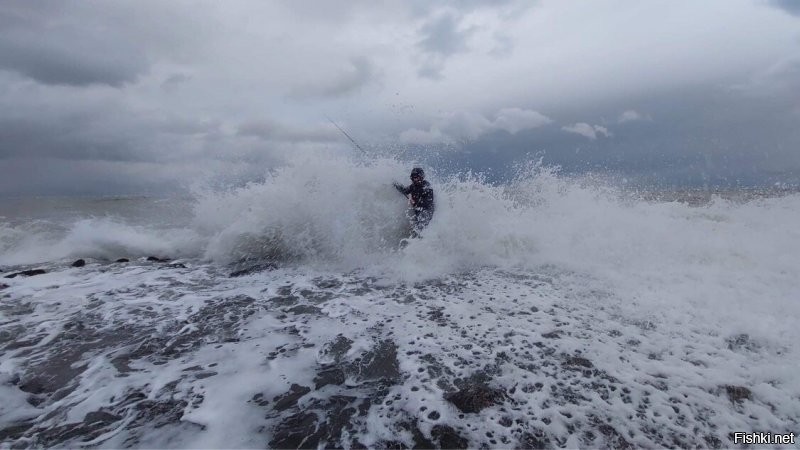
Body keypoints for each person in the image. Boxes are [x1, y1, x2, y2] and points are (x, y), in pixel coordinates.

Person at [393, 167, 434, 237]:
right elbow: (405, 191)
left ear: (422, 177)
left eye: (417, 177)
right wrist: (395, 184)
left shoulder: (427, 186)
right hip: (417, 212)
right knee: (416, 231)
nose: (415, 179)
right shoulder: (413, 186)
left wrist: (416, 202)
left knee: (421, 230)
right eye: (413, 178)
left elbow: (429, 202)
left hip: (427, 213)